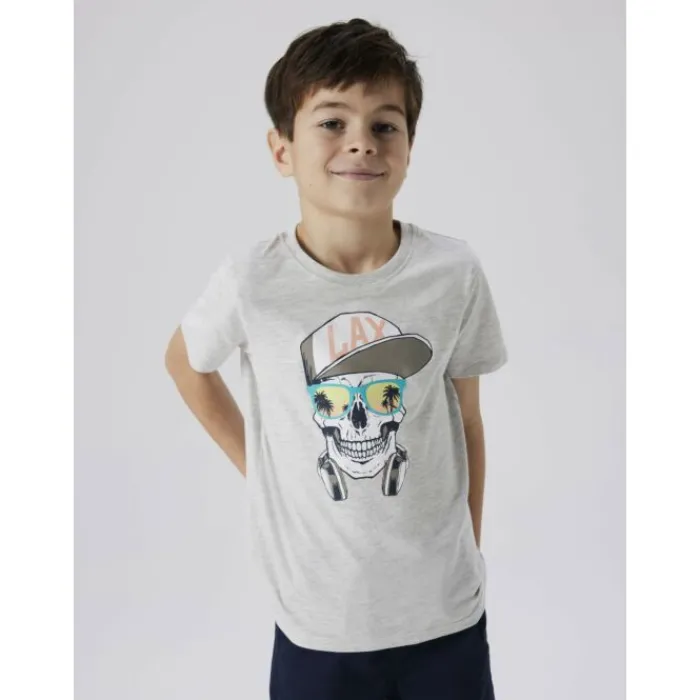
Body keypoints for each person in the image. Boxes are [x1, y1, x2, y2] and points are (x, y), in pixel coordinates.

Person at [165, 17, 508, 700]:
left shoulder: (452, 273)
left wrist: (467, 547)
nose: (362, 141)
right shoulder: (254, 280)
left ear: (409, 149)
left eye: (385, 125)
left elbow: (467, 420)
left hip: (446, 615)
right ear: (282, 150)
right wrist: (261, 466)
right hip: (317, 624)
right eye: (331, 122)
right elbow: (185, 363)